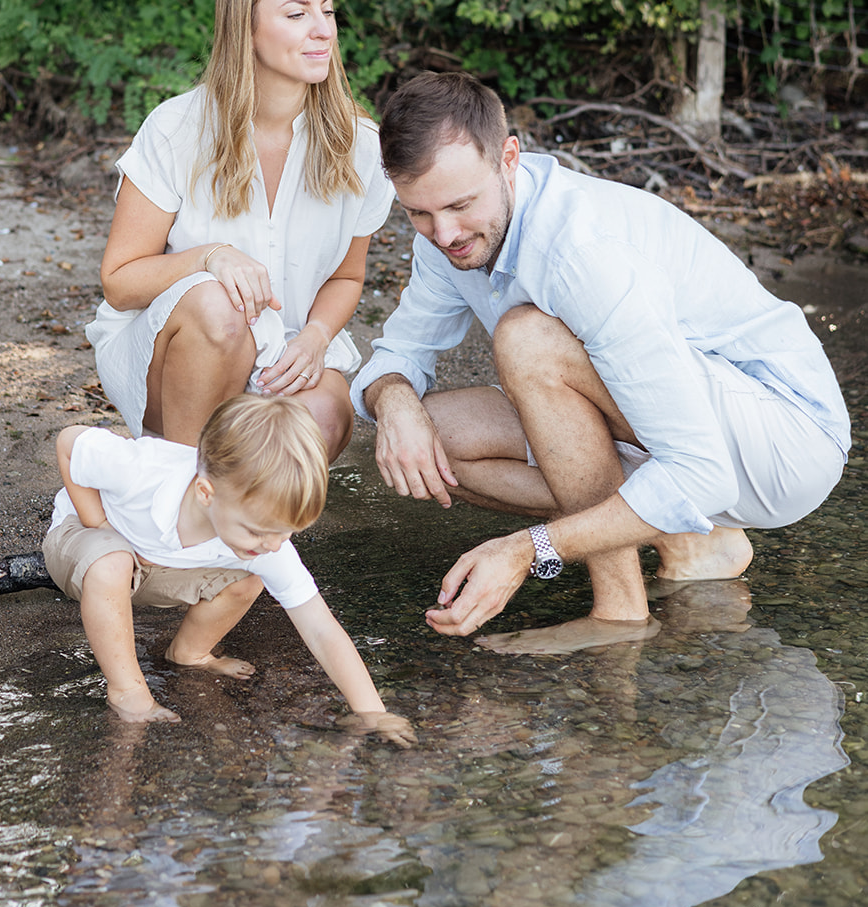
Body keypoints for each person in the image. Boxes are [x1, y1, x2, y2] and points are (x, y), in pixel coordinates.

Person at [351, 71, 850, 655]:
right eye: (419, 213)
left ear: (509, 158)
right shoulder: (446, 235)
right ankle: (692, 540)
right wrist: (393, 401)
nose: (445, 233)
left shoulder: (583, 255)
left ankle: (620, 613)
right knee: (433, 440)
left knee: (527, 340)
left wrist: (526, 549)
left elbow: (702, 471)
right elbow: (398, 354)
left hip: (786, 439)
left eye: (461, 205)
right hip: (680, 428)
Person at [86, 0, 393, 459]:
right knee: (216, 304)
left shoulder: (359, 145)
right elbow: (120, 280)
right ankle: (179, 492)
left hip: (285, 351)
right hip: (178, 354)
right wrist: (210, 257)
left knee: (324, 414)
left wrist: (316, 337)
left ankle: (247, 527)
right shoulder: (177, 128)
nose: (323, 30)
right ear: (246, 29)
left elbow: (347, 276)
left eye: (327, 10)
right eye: (297, 14)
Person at [45, 392, 415, 743]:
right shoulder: (143, 469)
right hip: (84, 549)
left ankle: (189, 653)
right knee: (112, 560)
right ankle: (127, 691)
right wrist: (100, 525)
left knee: (252, 575)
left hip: (154, 569)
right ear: (206, 493)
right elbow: (68, 442)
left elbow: (321, 629)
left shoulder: (265, 542)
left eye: (285, 532)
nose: (272, 544)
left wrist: (372, 712)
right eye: (258, 531)